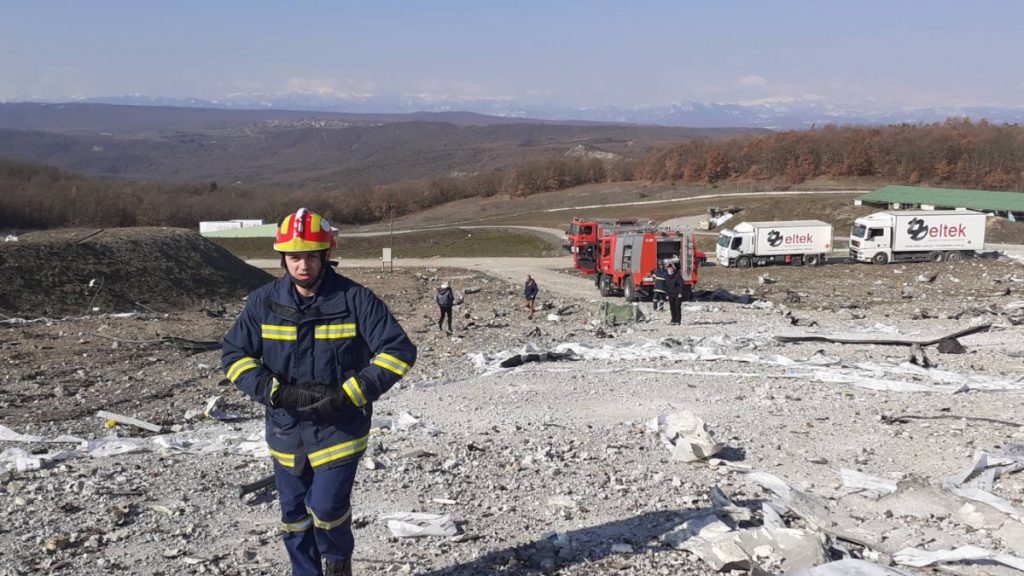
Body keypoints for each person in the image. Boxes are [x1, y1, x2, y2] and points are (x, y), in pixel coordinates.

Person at [222, 208, 416, 576]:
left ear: (326, 255)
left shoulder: (356, 300)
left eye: (311, 255)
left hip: (340, 426)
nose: (303, 265)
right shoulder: (264, 302)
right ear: (283, 258)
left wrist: (351, 395)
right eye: (295, 257)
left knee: (326, 508)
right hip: (286, 428)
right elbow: (234, 355)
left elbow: (399, 352)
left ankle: (338, 558)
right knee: (294, 517)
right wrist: (274, 393)